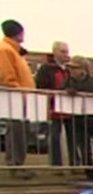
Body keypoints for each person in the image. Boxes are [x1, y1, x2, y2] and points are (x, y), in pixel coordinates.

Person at [0, 19, 34, 179]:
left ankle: (18, 164)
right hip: (17, 98)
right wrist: (20, 92)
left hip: (22, 97)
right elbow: (7, 77)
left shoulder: (14, 51)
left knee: (21, 132)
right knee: (15, 132)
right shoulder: (5, 50)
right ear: (19, 33)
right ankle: (14, 165)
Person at [35, 41, 72, 170]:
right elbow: (41, 85)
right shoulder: (46, 68)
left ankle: (75, 164)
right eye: (63, 51)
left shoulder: (69, 69)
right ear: (55, 52)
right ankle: (56, 166)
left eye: (67, 51)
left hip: (69, 108)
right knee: (54, 137)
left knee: (72, 137)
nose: (66, 55)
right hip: (53, 108)